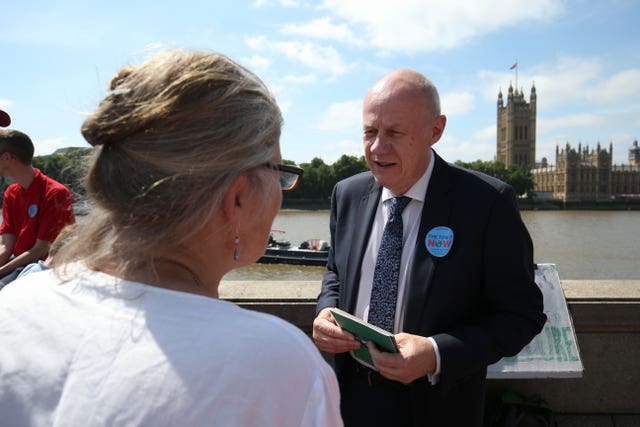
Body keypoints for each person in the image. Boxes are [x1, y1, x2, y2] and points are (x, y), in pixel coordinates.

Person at [0, 49, 342, 426]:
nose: (282, 190)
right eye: (278, 171)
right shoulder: (280, 368)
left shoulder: (14, 304)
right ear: (239, 196)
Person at [312, 68, 546, 426]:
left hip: (437, 407)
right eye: (370, 132)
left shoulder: (487, 203)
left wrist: (437, 353)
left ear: (435, 131)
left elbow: (522, 314)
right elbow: (335, 273)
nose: (377, 148)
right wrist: (327, 311)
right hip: (350, 398)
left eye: (394, 133)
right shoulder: (348, 194)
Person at [0, 129, 76, 288]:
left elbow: (41, 249)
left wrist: (2, 271)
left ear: (7, 157)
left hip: (45, 267)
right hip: (20, 263)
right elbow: (7, 244)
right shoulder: (11, 193)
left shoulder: (56, 193)